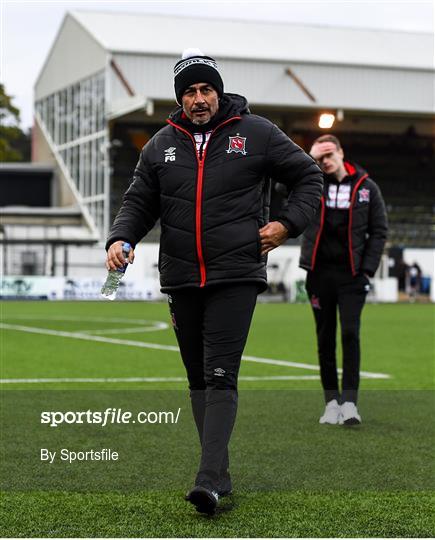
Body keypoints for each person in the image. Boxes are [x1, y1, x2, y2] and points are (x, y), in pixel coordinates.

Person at [105, 48, 323, 514]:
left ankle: (208, 481)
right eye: (189, 91)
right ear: (180, 98)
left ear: (219, 93)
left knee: (220, 374)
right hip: (181, 276)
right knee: (197, 378)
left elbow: (308, 177)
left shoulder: (258, 133)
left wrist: (287, 224)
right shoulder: (160, 143)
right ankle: (219, 472)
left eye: (206, 89)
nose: (198, 98)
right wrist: (121, 237)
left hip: (236, 273)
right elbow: (139, 200)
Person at [299, 134, 387, 425]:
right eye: (318, 158)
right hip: (319, 275)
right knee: (324, 340)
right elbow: (283, 184)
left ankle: (350, 402)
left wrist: (367, 270)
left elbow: (379, 230)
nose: (324, 162)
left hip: (351, 277)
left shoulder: (367, 188)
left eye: (328, 156)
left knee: (350, 335)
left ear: (340, 153)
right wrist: (306, 164)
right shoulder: (312, 184)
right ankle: (331, 403)